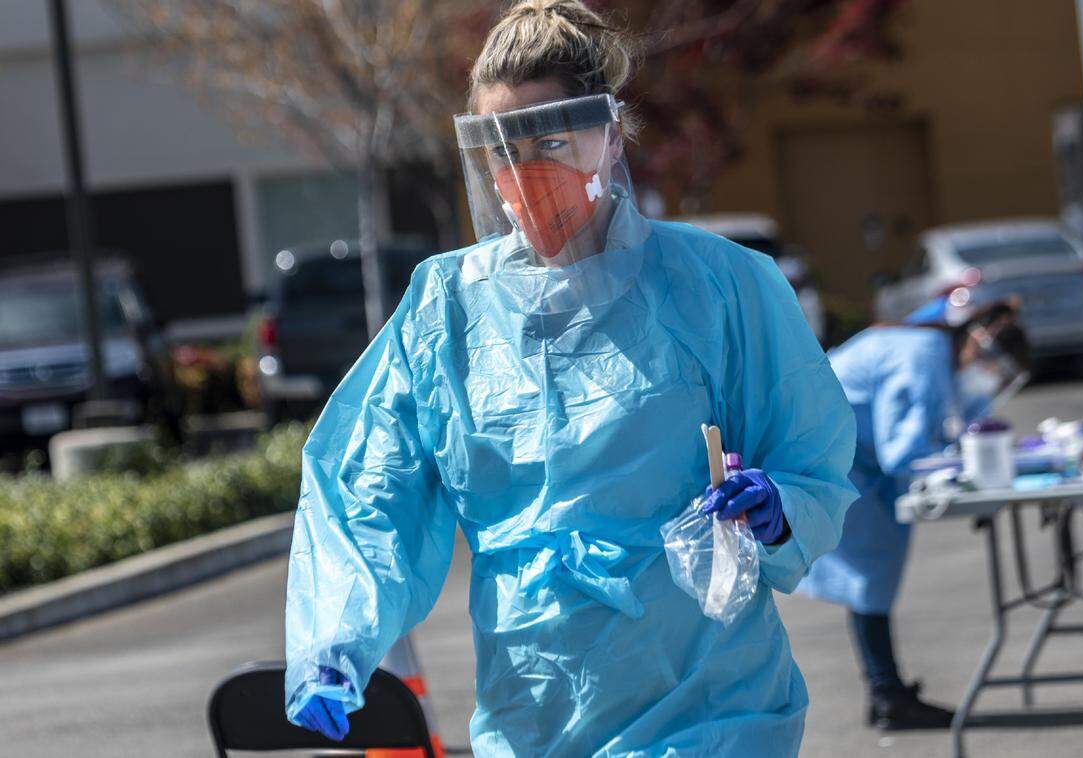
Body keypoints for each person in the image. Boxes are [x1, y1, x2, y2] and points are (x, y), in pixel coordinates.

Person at [283, 1, 857, 755]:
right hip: (535, 713)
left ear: (609, 134)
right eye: (501, 148)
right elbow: (368, 491)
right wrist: (335, 638)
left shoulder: (719, 285)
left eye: (548, 140)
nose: (525, 172)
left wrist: (778, 508)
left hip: (709, 705)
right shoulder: (448, 306)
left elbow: (809, 450)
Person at [796, 297, 1031, 730]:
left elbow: (970, 426)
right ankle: (888, 695)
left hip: (857, 460)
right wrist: (962, 462)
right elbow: (900, 451)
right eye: (994, 369)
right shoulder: (922, 359)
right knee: (869, 574)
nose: (990, 381)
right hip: (835, 456)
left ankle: (885, 689)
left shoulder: (940, 356)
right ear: (976, 347)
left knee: (875, 574)